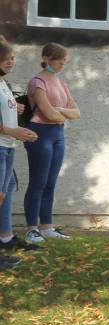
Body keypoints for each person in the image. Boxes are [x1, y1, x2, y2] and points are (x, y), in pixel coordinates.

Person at [22, 42, 79, 243]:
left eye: (65, 60)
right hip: (40, 134)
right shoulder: (37, 82)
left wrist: (61, 112)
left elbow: (76, 112)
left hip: (57, 134)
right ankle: (31, 228)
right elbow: (47, 112)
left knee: (50, 183)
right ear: (46, 58)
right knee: (38, 182)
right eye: (59, 59)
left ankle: (47, 226)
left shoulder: (61, 83)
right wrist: (62, 113)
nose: (63, 63)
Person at [0, 38, 39, 270]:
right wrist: (13, 130)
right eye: (7, 59)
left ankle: (5, 238)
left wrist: (16, 106)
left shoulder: (3, 83)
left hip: (8, 146)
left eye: (12, 58)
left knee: (3, 197)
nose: (11, 62)